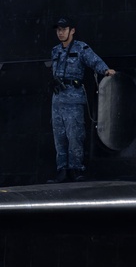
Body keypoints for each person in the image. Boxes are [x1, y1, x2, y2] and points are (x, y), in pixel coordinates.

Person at [49, 18, 116, 181]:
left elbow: (94, 61)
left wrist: (106, 70)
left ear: (72, 31)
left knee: (75, 135)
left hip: (74, 97)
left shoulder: (81, 48)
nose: (60, 32)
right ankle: (62, 169)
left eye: (64, 29)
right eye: (58, 29)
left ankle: (76, 169)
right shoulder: (55, 50)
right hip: (58, 99)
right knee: (59, 136)